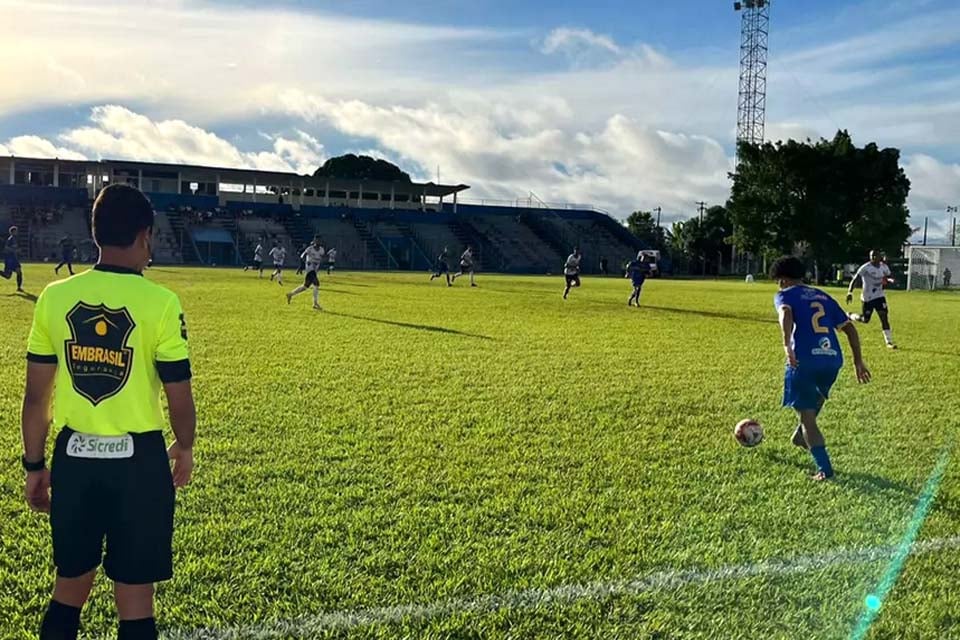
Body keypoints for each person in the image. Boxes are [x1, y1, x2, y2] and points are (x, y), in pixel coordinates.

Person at [20, 184, 196, 640]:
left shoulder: (55, 297)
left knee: (69, 588)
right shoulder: (161, 303)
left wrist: (35, 466)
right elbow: (179, 392)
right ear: (145, 237)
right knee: (136, 598)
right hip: (139, 463)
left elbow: (37, 397)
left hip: (75, 460)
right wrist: (186, 445)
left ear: (96, 234)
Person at [770, 256, 870, 481]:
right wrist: (858, 361)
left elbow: (785, 312)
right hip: (832, 359)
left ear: (783, 280)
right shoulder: (822, 295)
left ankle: (824, 468)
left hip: (804, 360)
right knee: (815, 399)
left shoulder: (784, 295)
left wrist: (787, 346)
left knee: (807, 418)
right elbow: (850, 329)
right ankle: (800, 436)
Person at [846, 250, 897, 349]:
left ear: (879, 257)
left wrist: (890, 280)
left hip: (879, 296)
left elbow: (888, 276)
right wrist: (850, 292)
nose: (873, 257)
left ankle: (889, 342)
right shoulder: (866, 268)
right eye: (871, 256)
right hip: (868, 297)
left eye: (875, 255)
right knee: (865, 319)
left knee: (884, 317)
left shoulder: (884, 267)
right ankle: (850, 315)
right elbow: (855, 279)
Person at [287, 236, 325, 310]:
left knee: (305, 286)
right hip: (309, 269)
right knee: (316, 283)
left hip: (315, 270)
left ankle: (290, 294)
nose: (319, 242)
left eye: (320, 240)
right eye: (317, 240)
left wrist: (321, 262)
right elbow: (302, 256)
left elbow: (322, 257)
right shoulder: (310, 249)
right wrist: (306, 263)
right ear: (314, 241)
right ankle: (315, 303)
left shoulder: (321, 250)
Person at [2, 225, 24, 291]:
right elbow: (6, 248)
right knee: (8, 276)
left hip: (14, 259)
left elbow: (19, 248)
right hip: (9, 259)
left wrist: (19, 250)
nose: (16, 232)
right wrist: (14, 250)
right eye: (15, 231)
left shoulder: (16, 239)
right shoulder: (10, 239)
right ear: (11, 232)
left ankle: (19, 288)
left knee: (19, 272)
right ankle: (19, 287)